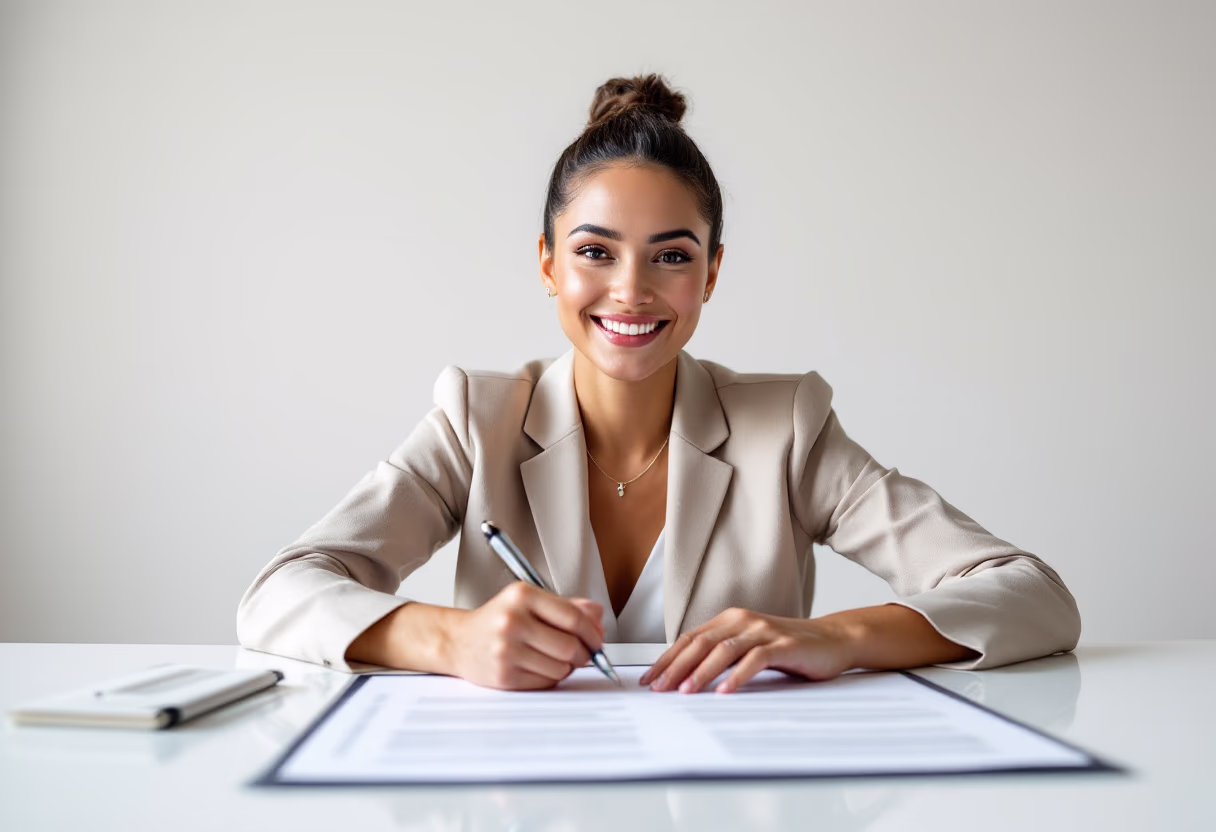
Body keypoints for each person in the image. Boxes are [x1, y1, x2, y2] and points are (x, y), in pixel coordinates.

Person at [236, 73, 1081, 694]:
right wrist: (448, 639)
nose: (632, 291)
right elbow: (279, 595)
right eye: (595, 252)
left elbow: (1035, 599)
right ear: (547, 264)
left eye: (671, 256)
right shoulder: (477, 420)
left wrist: (838, 638)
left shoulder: (785, 428)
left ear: (710, 274)